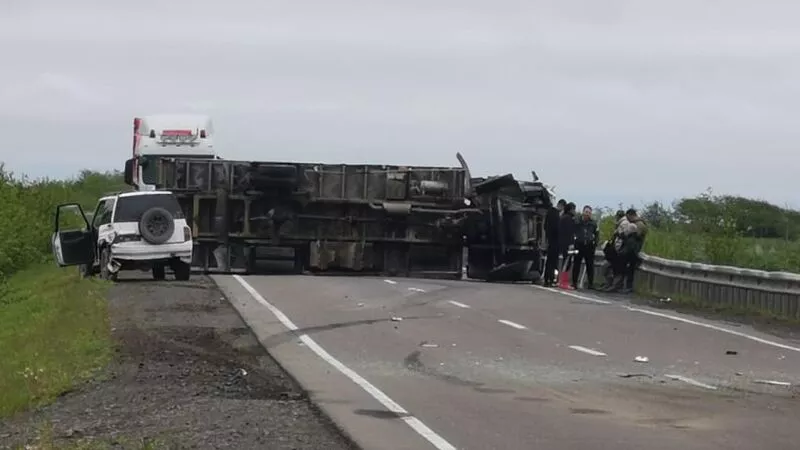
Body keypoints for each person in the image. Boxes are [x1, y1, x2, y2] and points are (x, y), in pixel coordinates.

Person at [620, 208, 648, 294]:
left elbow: (637, 236)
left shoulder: (639, 224)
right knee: (626, 268)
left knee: (630, 269)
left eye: (627, 217)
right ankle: (624, 286)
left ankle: (629, 287)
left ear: (630, 215)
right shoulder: (635, 223)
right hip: (630, 248)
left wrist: (630, 232)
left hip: (633, 249)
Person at [572, 205, 599, 289]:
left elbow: (597, 234)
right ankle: (574, 282)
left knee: (590, 266)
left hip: (589, 246)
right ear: (583, 212)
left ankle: (590, 284)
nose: (587, 214)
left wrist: (595, 243)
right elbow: (572, 231)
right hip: (579, 244)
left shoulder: (593, 223)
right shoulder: (577, 221)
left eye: (589, 213)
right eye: (586, 212)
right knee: (576, 264)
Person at [542, 199, 566, 286]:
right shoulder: (555, 215)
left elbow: (545, 226)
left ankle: (546, 279)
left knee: (549, 261)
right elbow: (557, 229)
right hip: (555, 241)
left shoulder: (549, 212)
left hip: (550, 239)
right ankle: (551, 279)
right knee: (553, 261)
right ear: (561, 206)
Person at [600, 210, 625, 288]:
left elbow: (619, 240)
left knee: (615, 269)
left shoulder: (622, 225)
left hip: (618, 253)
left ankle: (613, 285)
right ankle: (610, 284)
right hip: (615, 252)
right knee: (608, 267)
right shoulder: (619, 225)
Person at [557, 202, 577, 285]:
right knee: (566, 262)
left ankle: (559, 280)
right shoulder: (568, 219)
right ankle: (563, 281)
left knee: (564, 262)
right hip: (567, 244)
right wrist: (571, 243)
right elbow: (569, 232)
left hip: (561, 243)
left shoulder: (562, 217)